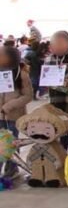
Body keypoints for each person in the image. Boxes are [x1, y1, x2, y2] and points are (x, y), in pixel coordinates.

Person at [0, 46, 33, 178]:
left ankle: (12, 168)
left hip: (13, 116)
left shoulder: (22, 75)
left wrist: (9, 106)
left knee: (11, 142)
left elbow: (28, 96)